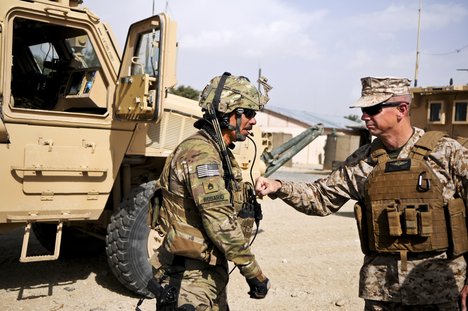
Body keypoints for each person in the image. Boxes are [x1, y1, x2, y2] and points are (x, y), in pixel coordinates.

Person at [255, 76, 468, 310]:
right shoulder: (362, 161)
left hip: (439, 291)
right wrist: (279, 186)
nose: (365, 115)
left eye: (373, 109)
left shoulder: (447, 153)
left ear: (402, 109)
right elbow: (320, 198)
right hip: (382, 293)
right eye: (364, 109)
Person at [151, 72, 272, 310]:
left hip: (206, 272)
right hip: (189, 278)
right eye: (249, 113)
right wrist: (253, 273)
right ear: (230, 114)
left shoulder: (219, 152)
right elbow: (219, 220)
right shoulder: (201, 155)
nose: (254, 121)